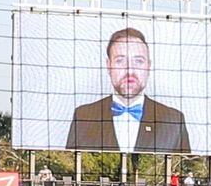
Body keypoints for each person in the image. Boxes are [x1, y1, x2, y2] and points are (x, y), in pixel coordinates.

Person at [64, 24, 193, 153]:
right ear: (108, 66)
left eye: (139, 61)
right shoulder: (83, 116)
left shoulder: (174, 121)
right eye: (120, 61)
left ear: (149, 66)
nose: (130, 70)